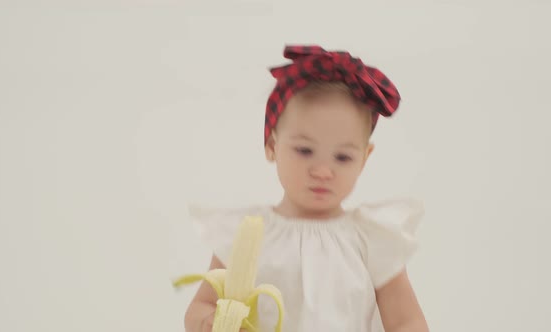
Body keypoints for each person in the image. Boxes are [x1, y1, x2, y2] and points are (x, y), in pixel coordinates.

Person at [182, 45, 429, 332]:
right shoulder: (248, 233)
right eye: (304, 150)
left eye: (342, 157)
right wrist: (210, 322)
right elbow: (201, 306)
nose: (323, 171)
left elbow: (406, 320)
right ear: (273, 146)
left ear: (364, 159)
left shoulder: (371, 238)